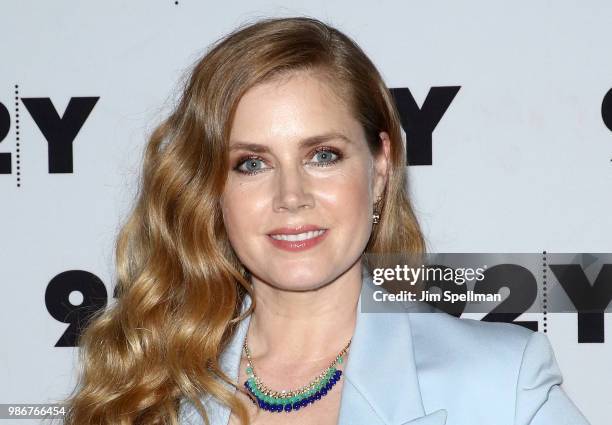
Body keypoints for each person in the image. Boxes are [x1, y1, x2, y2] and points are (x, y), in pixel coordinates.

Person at [61, 16, 591, 425]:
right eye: (252, 163)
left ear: (380, 168)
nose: (291, 196)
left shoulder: (499, 385)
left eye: (323, 156)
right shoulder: (148, 388)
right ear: (211, 189)